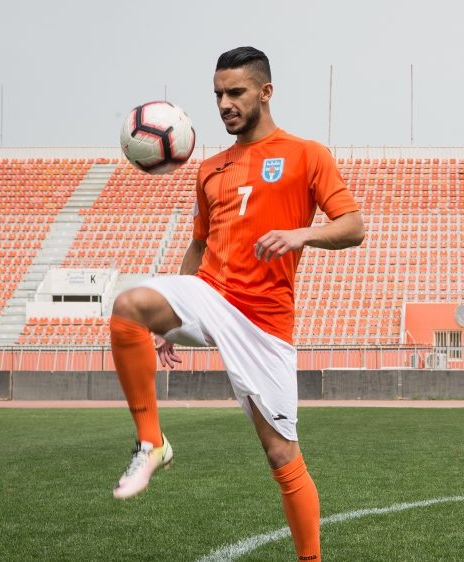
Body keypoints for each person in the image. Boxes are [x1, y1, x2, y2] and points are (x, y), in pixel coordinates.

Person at [108, 46, 364, 562]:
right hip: (208, 292)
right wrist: (167, 319)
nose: (224, 103)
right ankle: (152, 442)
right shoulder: (210, 169)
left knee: (282, 455)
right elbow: (199, 244)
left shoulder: (307, 154)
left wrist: (301, 235)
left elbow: (353, 227)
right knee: (129, 305)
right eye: (218, 94)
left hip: (262, 321)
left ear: (265, 92)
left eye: (235, 92)